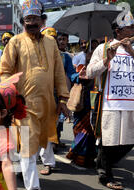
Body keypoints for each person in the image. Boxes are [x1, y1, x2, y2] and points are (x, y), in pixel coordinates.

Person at [0, 0, 69, 190]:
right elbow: (4, 70)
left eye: (35, 18)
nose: (31, 22)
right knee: (29, 147)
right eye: (28, 19)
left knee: (41, 143)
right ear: (23, 21)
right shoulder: (16, 42)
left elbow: (58, 72)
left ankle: (23, 171)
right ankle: (33, 189)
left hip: (47, 104)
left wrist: (63, 99)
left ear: (42, 20)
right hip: (24, 104)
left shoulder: (51, 43)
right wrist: (10, 96)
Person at [87, 10, 134, 190]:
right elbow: (90, 72)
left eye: (133, 28)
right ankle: (105, 173)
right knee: (109, 139)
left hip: (132, 102)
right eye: (129, 28)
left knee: (132, 138)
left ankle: (103, 163)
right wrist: (106, 61)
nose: (133, 31)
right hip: (110, 103)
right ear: (119, 31)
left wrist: (132, 51)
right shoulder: (103, 48)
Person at [38, 31, 79, 175]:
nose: (51, 41)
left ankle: (48, 162)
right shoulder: (33, 53)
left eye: (53, 39)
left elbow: (71, 73)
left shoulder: (65, 57)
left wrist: (81, 77)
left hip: (54, 99)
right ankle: (26, 162)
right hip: (33, 98)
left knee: (49, 130)